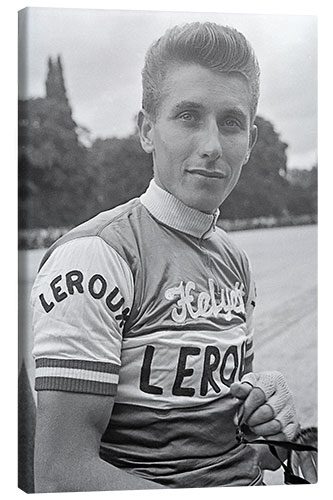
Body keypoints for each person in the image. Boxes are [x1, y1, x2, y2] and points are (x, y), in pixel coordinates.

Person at [31, 22, 300, 492]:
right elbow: (61, 475)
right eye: (188, 116)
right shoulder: (95, 256)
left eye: (230, 123)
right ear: (147, 130)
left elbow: (233, 446)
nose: (212, 146)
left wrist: (267, 420)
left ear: (251, 143)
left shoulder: (235, 260)